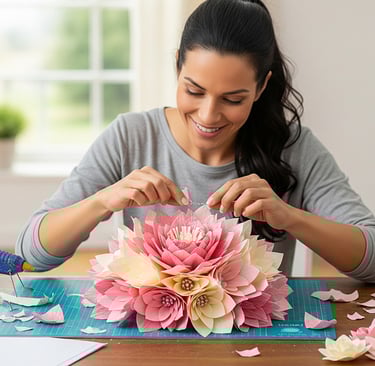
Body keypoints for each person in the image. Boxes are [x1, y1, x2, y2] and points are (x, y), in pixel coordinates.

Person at [16, 0, 375, 281]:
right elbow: (32, 254)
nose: (207, 115)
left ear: (262, 86)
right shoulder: (130, 136)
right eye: (194, 90)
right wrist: (102, 200)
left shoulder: (294, 147)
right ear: (177, 67)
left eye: (233, 99)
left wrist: (289, 217)